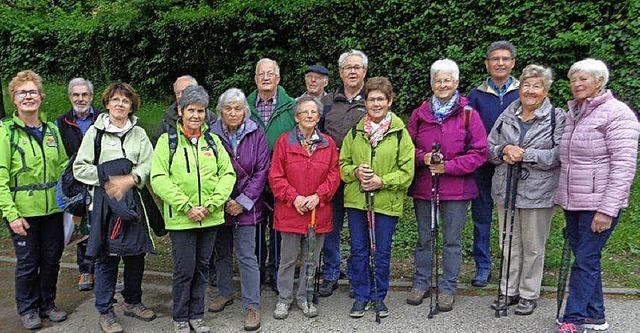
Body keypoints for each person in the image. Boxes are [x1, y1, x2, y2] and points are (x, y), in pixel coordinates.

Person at [554, 59, 640, 333]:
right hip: (574, 200)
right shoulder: (576, 112)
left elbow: (624, 166)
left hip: (598, 203)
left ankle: (574, 319)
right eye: (573, 79)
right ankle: (596, 316)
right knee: (587, 258)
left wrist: (607, 210)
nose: (576, 84)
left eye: (583, 79)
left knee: (585, 259)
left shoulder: (617, 113)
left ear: (600, 81)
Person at [151, 85, 235, 333]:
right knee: (184, 270)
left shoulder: (213, 141)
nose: (196, 116)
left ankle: (197, 315)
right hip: (181, 219)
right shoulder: (168, 141)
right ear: (180, 111)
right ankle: (180, 317)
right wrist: (187, 206)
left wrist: (210, 205)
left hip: (209, 218)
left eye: (200, 110)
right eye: (191, 110)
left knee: (201, 269)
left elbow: (227, 174)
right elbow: (158, 178)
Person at [73, 82, 157, 333]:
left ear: (132, 106)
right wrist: (108, 179)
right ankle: (105, 310)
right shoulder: (95, 134)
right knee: (106, 257)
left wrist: (131, 179)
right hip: (104, 206)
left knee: (135, 255)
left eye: (125, 100)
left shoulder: (139, 133)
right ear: (107, 103)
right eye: (116, 99)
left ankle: (132, 301)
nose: (120, 104)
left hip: (134, 203)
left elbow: (149, 163)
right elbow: (80, 167)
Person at [406, 59, 487, 312]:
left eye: (447, 80)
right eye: (438, 80)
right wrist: (423, 158)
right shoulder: (420, 114)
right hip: (425, 186)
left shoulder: (468, 114)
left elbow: (479, 152)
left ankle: (448, 287)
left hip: (457, 190)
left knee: (452, 241)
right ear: (432, 84)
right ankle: (421, 283)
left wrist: (449, 166)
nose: (442, 85)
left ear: (456, 83)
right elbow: (406, 149)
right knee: (424, 239)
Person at [487, 64, 565, 315]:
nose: (530, 90)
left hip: (539, 192)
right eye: (526, 85)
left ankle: (529, 293)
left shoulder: (557, 117)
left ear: (545, 90)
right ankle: (508, 289)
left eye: (537, 86)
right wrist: (503, 151)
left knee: (533, 245)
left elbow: (559, 154)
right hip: (506, 188)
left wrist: (525, 154)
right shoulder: (508, 114)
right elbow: (489, 147)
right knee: (508, 242)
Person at [340, 77, 414, 318]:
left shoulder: (401, 134)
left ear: (389, 101)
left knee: (381, 251)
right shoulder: (355, 132)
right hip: (357, 201)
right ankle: (361, 296)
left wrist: (381, 180)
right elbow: (342, 166)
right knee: (359, 250)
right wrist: (356, 172)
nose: (376, 103)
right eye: (371, 99)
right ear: (365, 102)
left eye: (381, 99)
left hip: (386, 202)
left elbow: (407, 172)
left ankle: (378, 296)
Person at [0, 70, 69, 330]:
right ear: (14, 100)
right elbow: (1, 175)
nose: (28, 96)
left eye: (33, 92)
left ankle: (47, 304)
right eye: (22, 93)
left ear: (41, 97)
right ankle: (28, 308)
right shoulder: (6, 132)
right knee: (29, 262)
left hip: (53, 208)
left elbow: (63, 166)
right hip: (23, 211)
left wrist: (71, 200)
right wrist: (11, 214)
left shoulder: (51, 130)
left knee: (52, 259)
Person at [269, 95, 340, 320]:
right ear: (296, 116)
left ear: (319, 117)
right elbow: (276, 176)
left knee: (311, 258)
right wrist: (294, 198)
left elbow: (334, 175)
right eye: (304, 112)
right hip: (291, 211)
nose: (309, 116)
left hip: (318, 211)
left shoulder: (328, 144)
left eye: (313, 112)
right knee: (288, 259)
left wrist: (319, 196)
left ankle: (305, 298)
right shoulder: (284, 142)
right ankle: (284, 299)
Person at [209, 88, 269, 331]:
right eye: (228, 108)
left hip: (248, 207)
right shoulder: (210, 134)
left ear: (245, 110)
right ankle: (225, 293)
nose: (233, 113)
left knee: (247, 256)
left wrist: (242, 201)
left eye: (238, 108)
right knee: (221, 253)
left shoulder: (257, 133)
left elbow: (262, 170)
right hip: (219, 204)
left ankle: (252, 305)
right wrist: (222, 200)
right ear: (220, 112)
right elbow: (207, 170)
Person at [468, 41, 520, 287]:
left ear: (513, 63)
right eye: (495, 59)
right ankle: (483, 265)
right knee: (482, 216)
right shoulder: (476, 96)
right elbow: (470, 130)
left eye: (505, 59)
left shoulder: (524, 91)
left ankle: (512, 266)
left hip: (514, 164)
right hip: (482, 165)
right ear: (487, 63)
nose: (500, 63)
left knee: (513, 216)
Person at [318, 50, 369, 298]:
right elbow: (316, 136)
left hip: (360, 176)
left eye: (357, 67)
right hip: (331, 176)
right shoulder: (327, 102)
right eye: (348, 67)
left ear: (364, 72)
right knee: (330, 227)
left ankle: (358, 274)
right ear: (340, 72)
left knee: (360, 228)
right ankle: (331, 273)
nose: (352, 71)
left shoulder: (372, 99)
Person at [247, 58, 296, 290]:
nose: (265, 78)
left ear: (278, 78)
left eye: (270, 74)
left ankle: (278, 271)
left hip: (283, 178)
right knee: (255, 227)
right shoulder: (244, 107)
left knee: (279, 228)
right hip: (252, 178)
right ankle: (255, 272)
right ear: (255, 79)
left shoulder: (292, 106)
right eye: (261, 74)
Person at [55, 77, 101, 292]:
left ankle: (102, 270)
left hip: (99, 178)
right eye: (76, 95)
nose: (80, 99)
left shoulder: (103, 118)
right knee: (81, 227)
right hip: (74, 183)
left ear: (91, 97)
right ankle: (85, 270)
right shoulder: (60, 123)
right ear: (70, 97)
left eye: (84, 95)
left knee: (102, 224)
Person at [151, 75, 214, 146]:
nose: (180, 96)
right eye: (177, 93)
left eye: (184, 91)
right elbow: (154, 145)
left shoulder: (212, 120)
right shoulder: (168, 118)